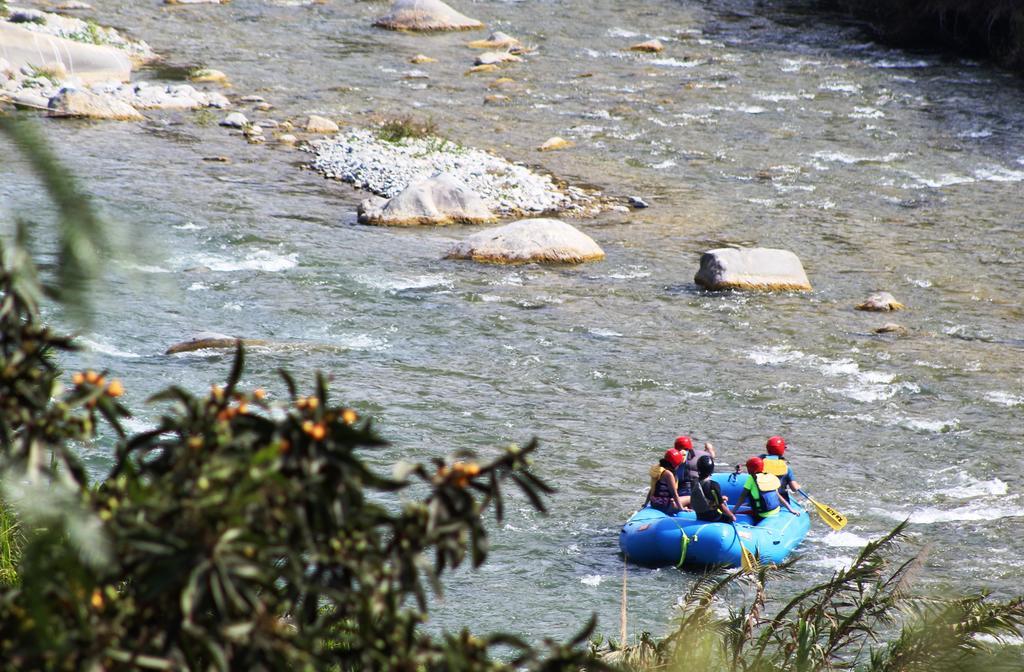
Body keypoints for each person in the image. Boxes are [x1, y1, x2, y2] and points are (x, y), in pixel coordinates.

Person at [731, 456, 797, 522]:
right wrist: (790, 509)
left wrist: (733, 512)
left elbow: (742, 497)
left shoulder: (751, 479)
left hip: (761, 514)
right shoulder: (769, 476)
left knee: (739, 513)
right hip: (776, 510)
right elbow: (778, 495)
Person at [689, 455, 735, 524]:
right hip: (713, 518)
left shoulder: (694, 483)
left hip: (699, 516)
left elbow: (703, 497)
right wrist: (732, 516)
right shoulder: (713, 485)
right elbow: (721, 506)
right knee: (728, 518)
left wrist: (721, 498)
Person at [643, 448, 689, 514]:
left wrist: (646, 504)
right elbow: (674, 494)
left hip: (654, 504)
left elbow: (652, 489)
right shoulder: (668, 474)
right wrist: (681, 509)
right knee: (689, 498)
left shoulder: (658, 470)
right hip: (665, 507)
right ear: (675, 464)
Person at [759, 435, 801, 503]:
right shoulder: (786, 468)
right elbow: (794, 488)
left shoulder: (760, 465)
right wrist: (798, 486)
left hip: (762, 500)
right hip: (781, 501)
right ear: (782, 450)